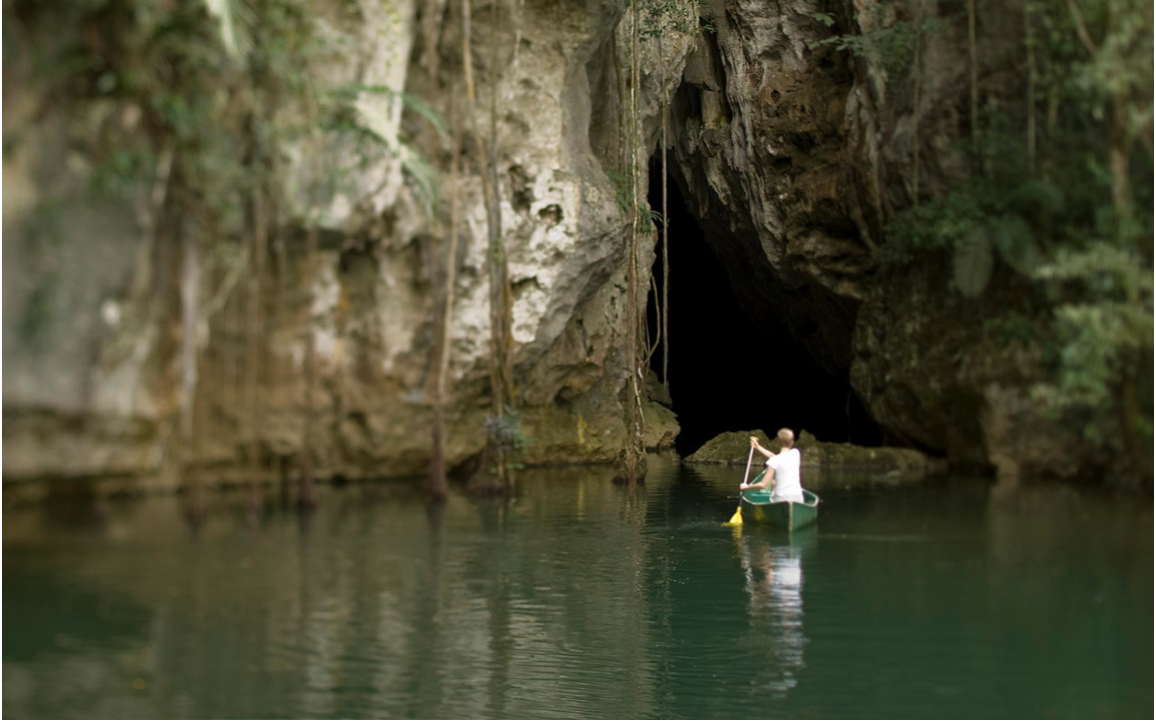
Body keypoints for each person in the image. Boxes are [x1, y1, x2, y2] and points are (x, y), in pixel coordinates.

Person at [740, 429, 804, 503]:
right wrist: (758, 447)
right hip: (798, 498)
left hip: (780, 499)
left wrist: (747, 487)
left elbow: (763, 485)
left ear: (778, 442)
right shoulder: (796, 453)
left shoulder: (774, 461)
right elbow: (775, 457)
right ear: (792, 442)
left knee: (773, 482)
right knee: (774, 482)